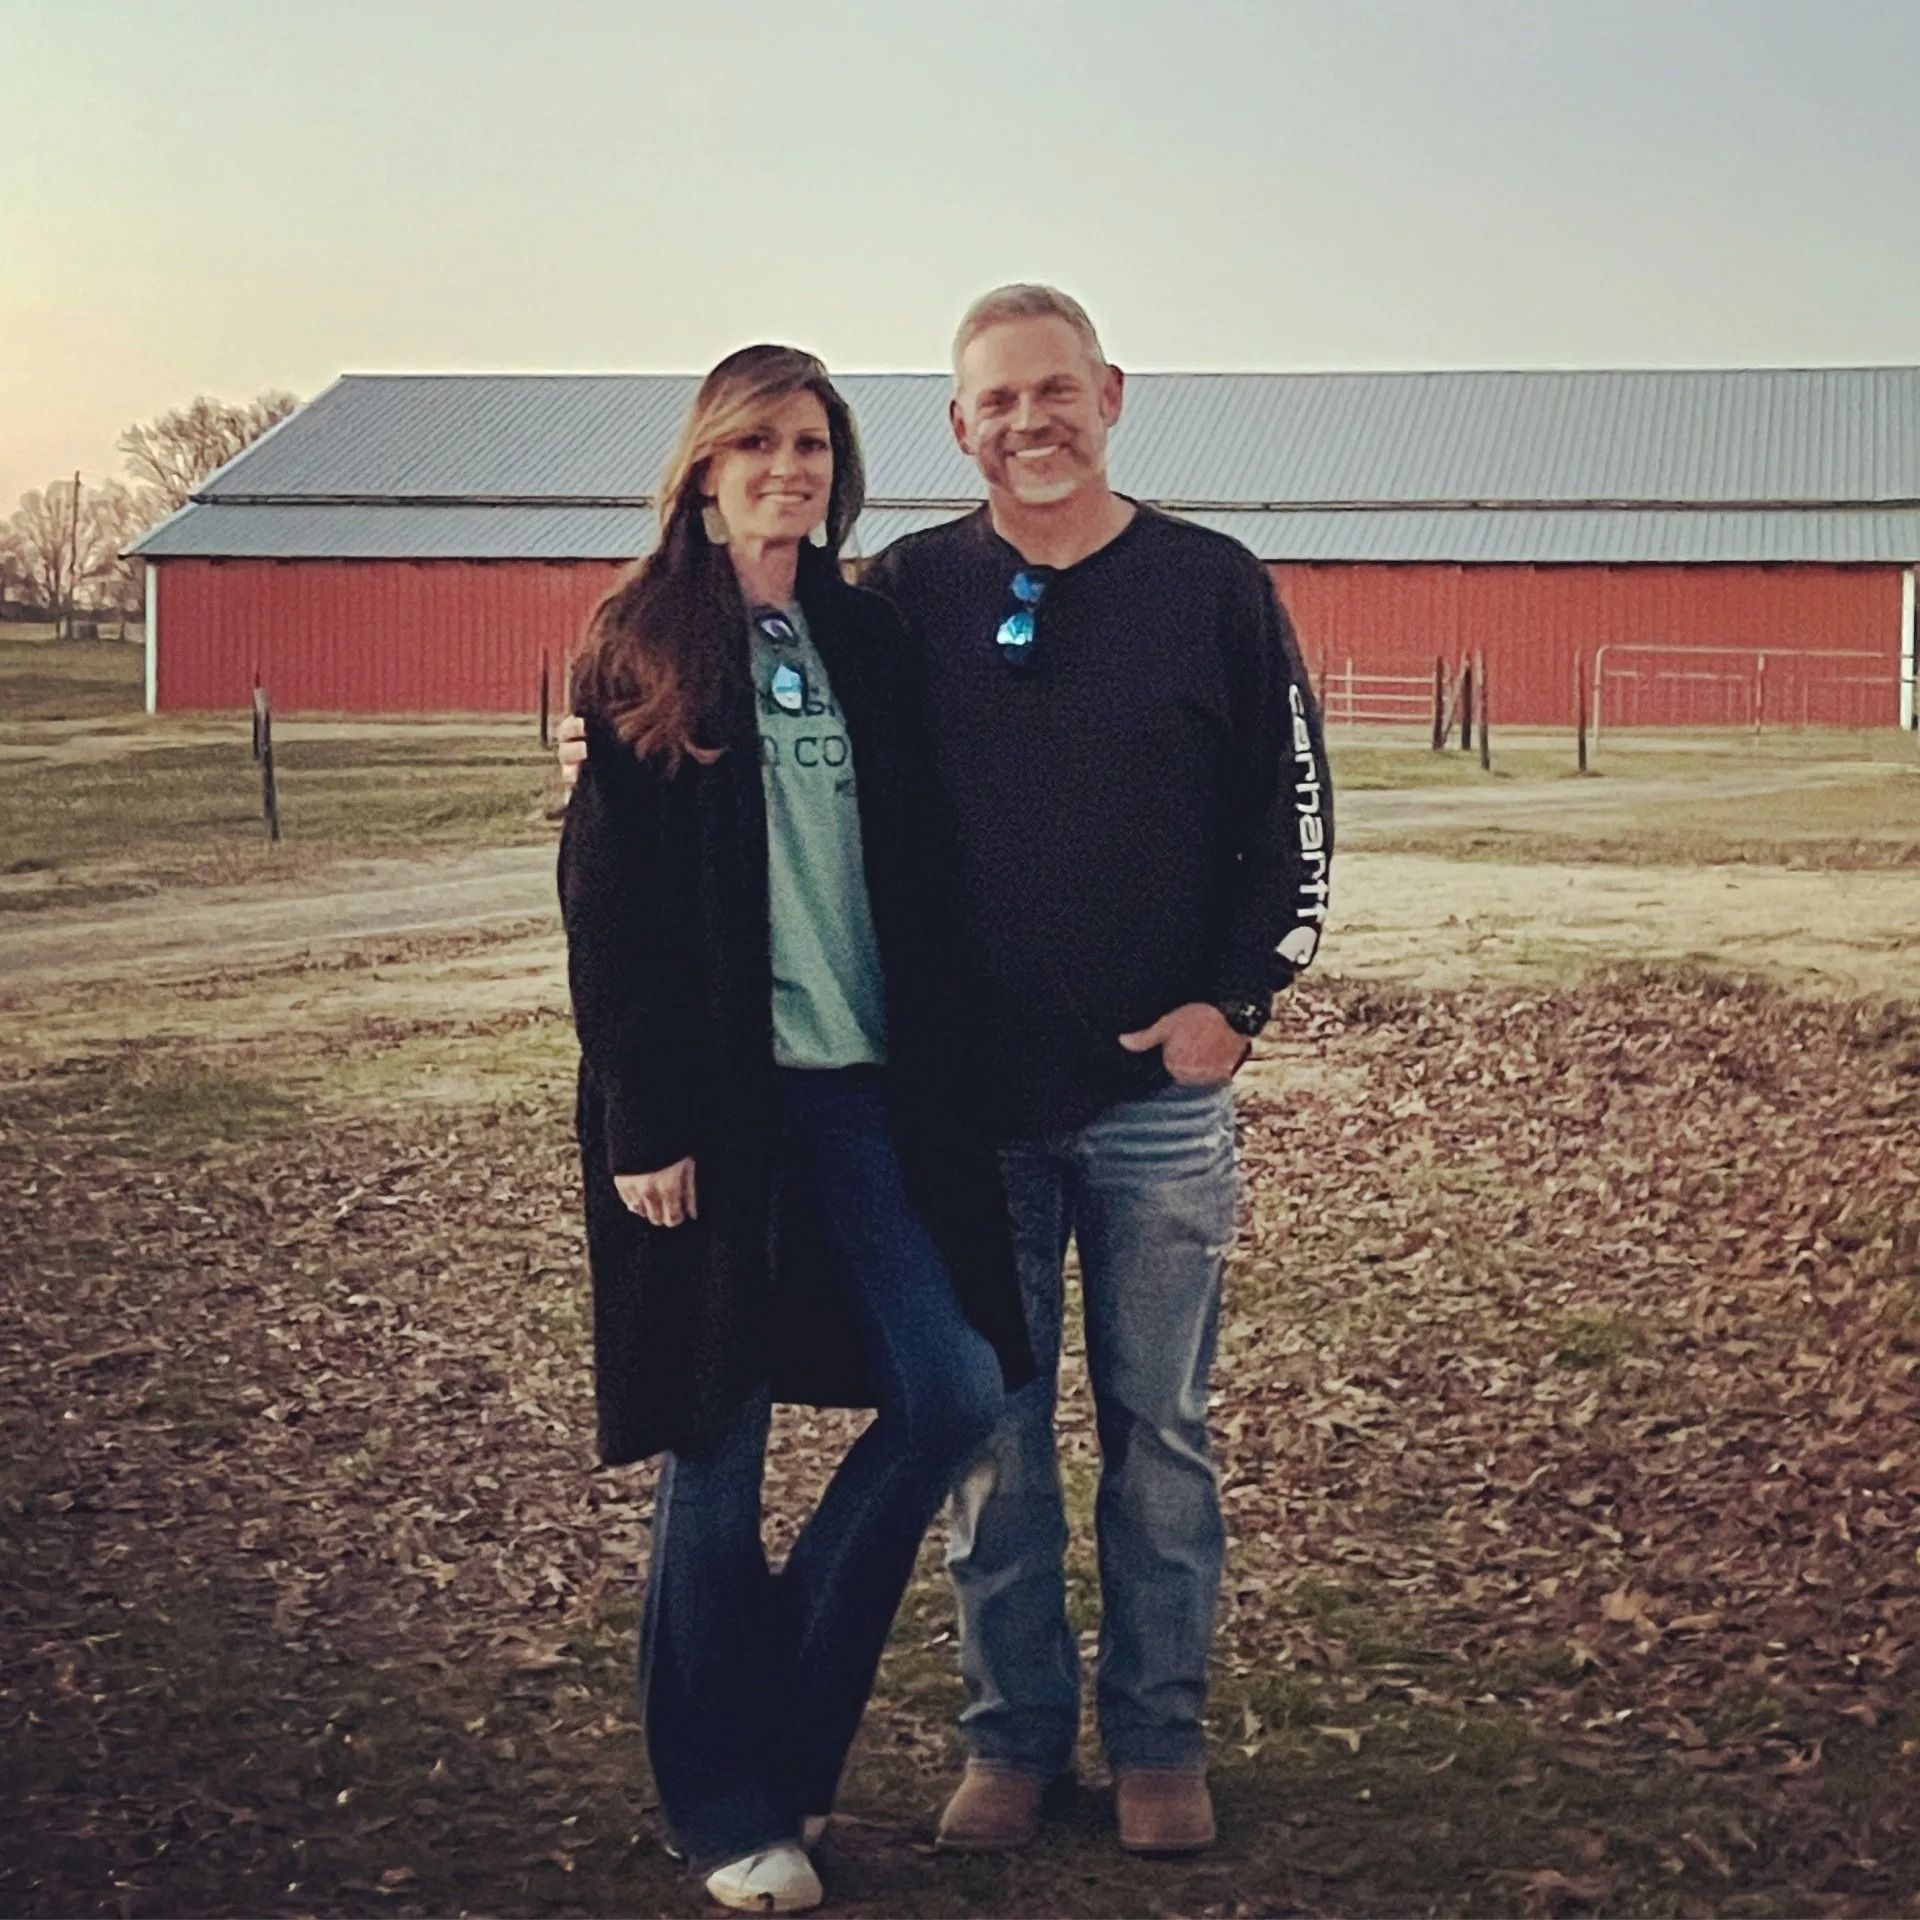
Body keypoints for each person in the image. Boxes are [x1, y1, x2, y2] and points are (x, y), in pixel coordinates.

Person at [560, 289, 1332, 1858]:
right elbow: (645, 820)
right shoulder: (884, 597)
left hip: (1106, 1112)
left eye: (1058, 391)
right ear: (958, 427)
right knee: (971, 1432)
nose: (1031, 421)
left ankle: (1156, 1744)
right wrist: (600, 754)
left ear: (1108, 394)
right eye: (998, 401)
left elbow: (1296, 812)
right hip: (939, 1109)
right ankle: (1004, 1741)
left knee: (1132, 1428)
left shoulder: (1189, 589)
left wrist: (1240, 997)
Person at [559, 343, 1032, 1915]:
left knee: (953, 1388)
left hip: (871, 1095)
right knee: (719, 1436)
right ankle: (724, 1806)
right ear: (703, 467)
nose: (789, 467)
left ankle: (780, 1728)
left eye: (814, 443)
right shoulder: (643, 642)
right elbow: (609, 912)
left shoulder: (866, 635)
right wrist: (645, 1119)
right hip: (718, 1112)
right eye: (756, 441)